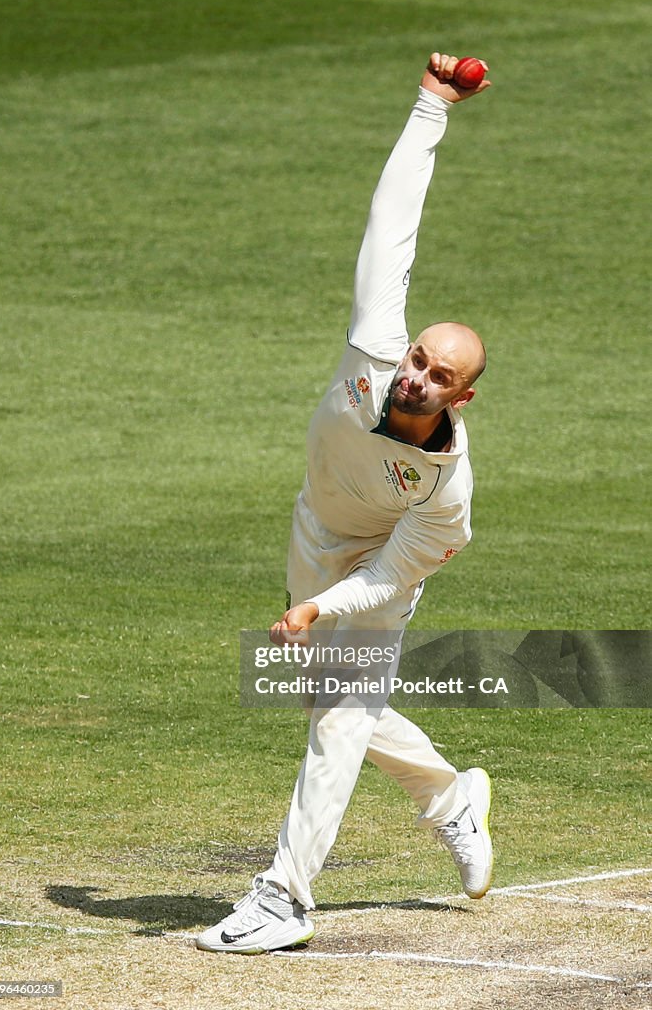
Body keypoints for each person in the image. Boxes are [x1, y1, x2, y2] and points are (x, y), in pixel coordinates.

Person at [197, 50, 494, 954]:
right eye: (418, 359)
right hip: (315, 531)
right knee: (328, 699)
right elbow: (391, 222)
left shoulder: (446, 491)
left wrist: (322, 607)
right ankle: (451, 796)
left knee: (337, 714)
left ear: (460, 398)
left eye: (437, 376)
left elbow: (388, 577)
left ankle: (284, 898)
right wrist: (432, 105)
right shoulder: (375, 346)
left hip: (374, 571)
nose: (416, 375)